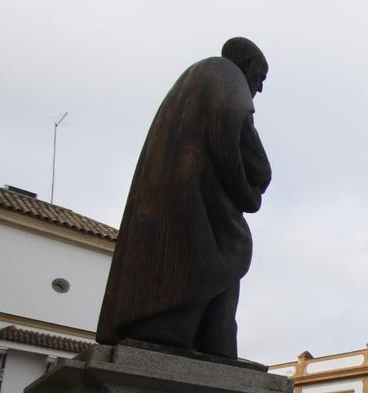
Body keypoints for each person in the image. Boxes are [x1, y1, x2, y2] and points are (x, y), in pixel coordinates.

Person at [96, 38, 272, 359]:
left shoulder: (192, 82)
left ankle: (196, 337)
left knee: (198, 270)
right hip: (202, 209)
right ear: (246, 66)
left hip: (186, 202)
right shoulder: (225, 78)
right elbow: (235, 124)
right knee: (222, 260)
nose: (258, 90)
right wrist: (250, 186)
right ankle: (207, 342)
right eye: (260, 79)